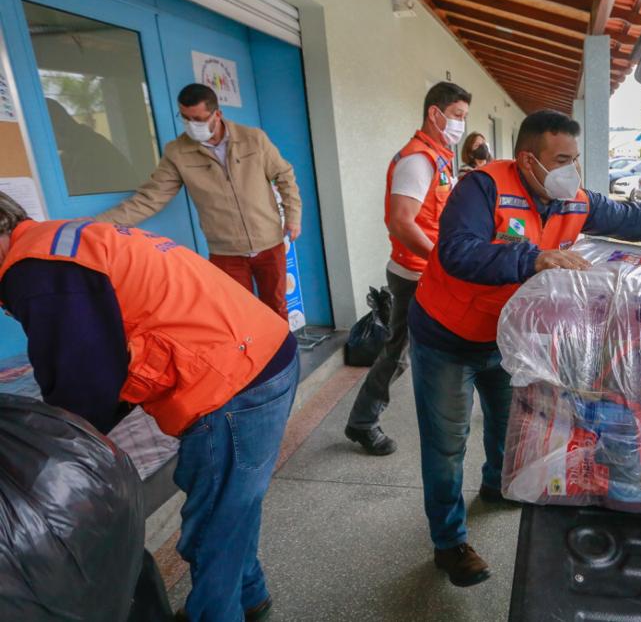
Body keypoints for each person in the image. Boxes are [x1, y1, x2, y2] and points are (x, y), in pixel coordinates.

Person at [407, 110, 641, 587]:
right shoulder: (482, 188)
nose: (571, 170)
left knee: (506, 422)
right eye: (562, 159)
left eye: (575, 159)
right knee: (447, 445)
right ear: (528, 159)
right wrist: (533, 257)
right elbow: (456, 251)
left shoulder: (572, 199)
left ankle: (496, 486)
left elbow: (635, 218)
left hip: (504, 336)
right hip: (446, 336)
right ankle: (450, 544)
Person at [0, 192, 298, 622]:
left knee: (213, 528)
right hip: (258, 354)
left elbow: (83, 381)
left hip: (234, 383)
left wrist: (53, 467)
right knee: (230, 508)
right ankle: (251, 597)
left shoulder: (37, 272)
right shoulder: (57, 241)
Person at [95, 83, 301, 320]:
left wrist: (293, 217)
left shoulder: (253, 139)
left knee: (275, 308)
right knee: (237, 316)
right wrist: (98, 224)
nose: (192, 125)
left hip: (268, 243)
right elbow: (151, 198)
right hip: (226, 251)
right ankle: (252, 358)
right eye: (185, 118)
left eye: (199, 119)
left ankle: (284, 356)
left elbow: (284, 175)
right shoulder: (177, 152)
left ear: (217, 114)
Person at [343, 82, 471, 456]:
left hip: (427, 269)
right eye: (458, 116)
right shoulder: (417, 160)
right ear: (435, 113)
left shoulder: (438, 156)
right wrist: (442, 260)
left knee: (411, 348)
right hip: (416, 273)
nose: (461, 125)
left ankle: (371, 419)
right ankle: (363, 421)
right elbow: (402, 222)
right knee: (398, 352)